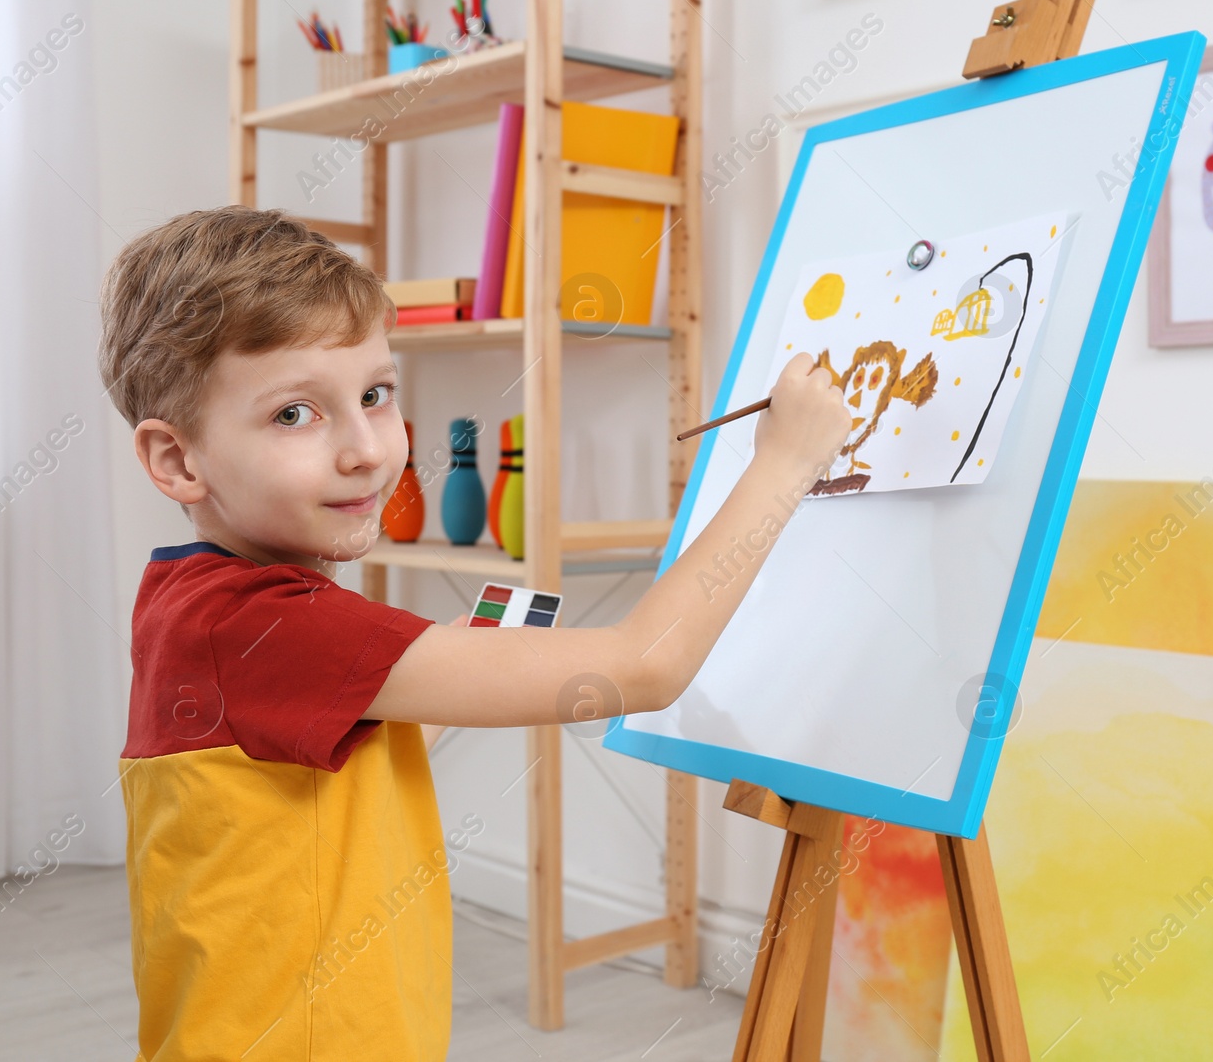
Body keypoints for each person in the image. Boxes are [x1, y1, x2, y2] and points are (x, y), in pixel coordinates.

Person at [96, 205, 851, 1060]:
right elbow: (646, 665)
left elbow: (292, 778)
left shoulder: (194, 600)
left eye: (375, 396)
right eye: (294, 416)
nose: (365, 450)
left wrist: (425, 677)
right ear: (175, 461)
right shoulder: (263, 621)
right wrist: (784, 463)